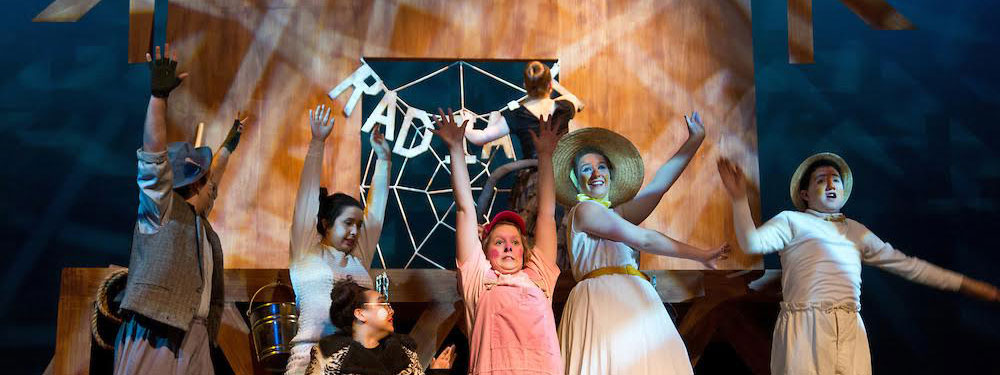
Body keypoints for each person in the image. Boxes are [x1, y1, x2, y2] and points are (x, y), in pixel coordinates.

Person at [716, 153, 1000, 375]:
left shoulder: (857, 230)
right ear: (804, 195)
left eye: (836, 179)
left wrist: (967, 285)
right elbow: (753, 244)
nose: (830, 184)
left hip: (851, 326)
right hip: (806, 325)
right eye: (820, 180)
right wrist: (739, 199)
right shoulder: (793, 220)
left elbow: (909, 266)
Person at [551, 113, 729, 375]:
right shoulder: (584, 211)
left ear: (610, 174)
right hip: (603, 301)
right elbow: (644, 239)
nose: (595, 173)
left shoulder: (617, 213)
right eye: (586, 169)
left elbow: (659, 186)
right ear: (577, 180)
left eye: (601, 166)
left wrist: (694, 140)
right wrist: (699, 254)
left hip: (635, 297)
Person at [115, 43, 249, 374]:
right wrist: (158, 98)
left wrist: (230, 145)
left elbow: (213, 176)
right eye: (207, 182)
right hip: (157, 330)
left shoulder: (200, 223)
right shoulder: (160, 207)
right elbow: (153, 158)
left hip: (196, 335)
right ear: (193, 185)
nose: (213, 188)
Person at [434, 109, 563, 374]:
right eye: (499, 242)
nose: (508, 246)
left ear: (524, 251)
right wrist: (456, 149)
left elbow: (547, 214)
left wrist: (546, 156)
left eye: (515, 242)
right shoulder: (478, 278)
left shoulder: (538, 275)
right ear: (486, 251)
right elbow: (465, 210)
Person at [285, 104, 392, 375]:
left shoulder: (357, 258)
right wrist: (317, 143)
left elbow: (376, 216)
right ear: (325, 224)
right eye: (347, 224)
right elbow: (306, 199)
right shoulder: (306, 252)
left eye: (358, 225)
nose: (355, 232)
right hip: (310, 361)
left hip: (355, 362)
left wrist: (383, 161)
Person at [464, 61, 583, 242]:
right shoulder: (564, 108)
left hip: (531, 183)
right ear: (550, 84)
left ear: (525, 86)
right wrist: (553, 87)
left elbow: (479, 138)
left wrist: (467, 123)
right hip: (562, 179)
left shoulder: (517, 115)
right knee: (561, 233)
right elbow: (579, 102)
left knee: (529, 235)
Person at [304, 278, 456, 375]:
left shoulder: (405, 354)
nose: (392, 310)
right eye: (382, 304)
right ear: (361, 313)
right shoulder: (328, 357)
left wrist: (437, 373)